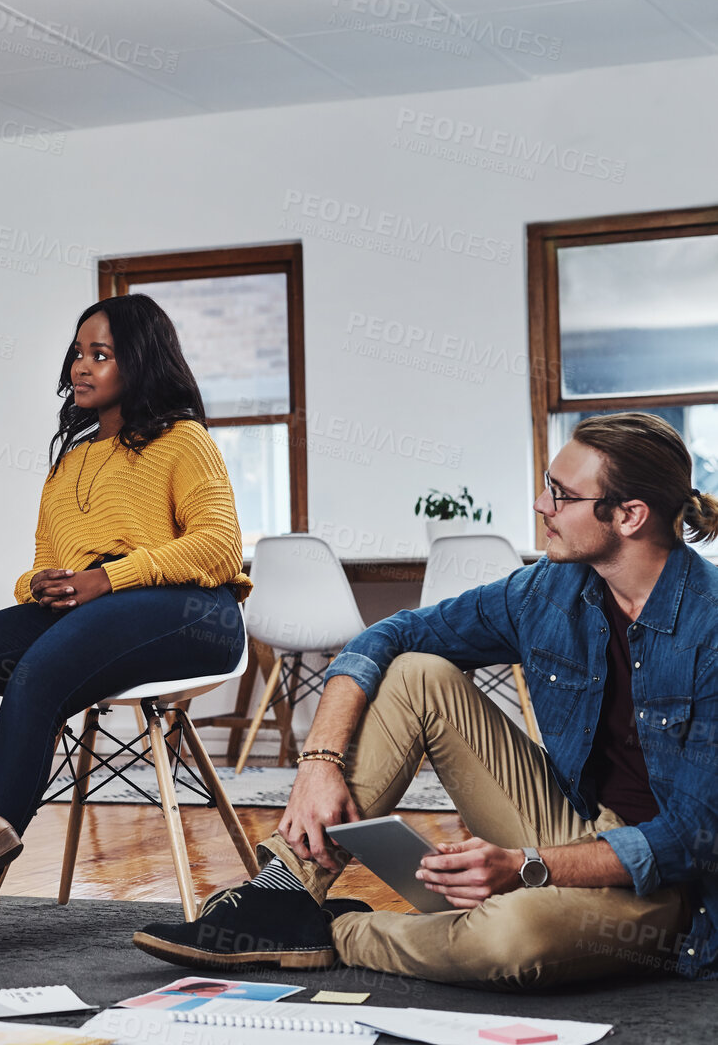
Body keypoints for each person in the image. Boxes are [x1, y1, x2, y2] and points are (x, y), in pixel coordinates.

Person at [134, 412, 718, 990]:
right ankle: (282, 894)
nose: (541, 506)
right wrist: (319, 762)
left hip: (668, 886)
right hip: (572, 825)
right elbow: (390, 635)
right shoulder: (550, 588)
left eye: (561, 495)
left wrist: (527, 867)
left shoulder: (710, 626)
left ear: (629, 515)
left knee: (510, 939)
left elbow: (694, 838)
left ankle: (336, 935)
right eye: (547, 484)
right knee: (415, 672)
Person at [0, 294, 251, 959]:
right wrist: (42, 586)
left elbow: (219, 547)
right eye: (78, 353)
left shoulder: (182, 440)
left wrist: (107, 578)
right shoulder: (70, 462)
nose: (81, 366)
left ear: (137, 363)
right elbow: (39, 568)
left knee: (41, 668)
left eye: (100, 355)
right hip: (93, 613)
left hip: (194, 614)